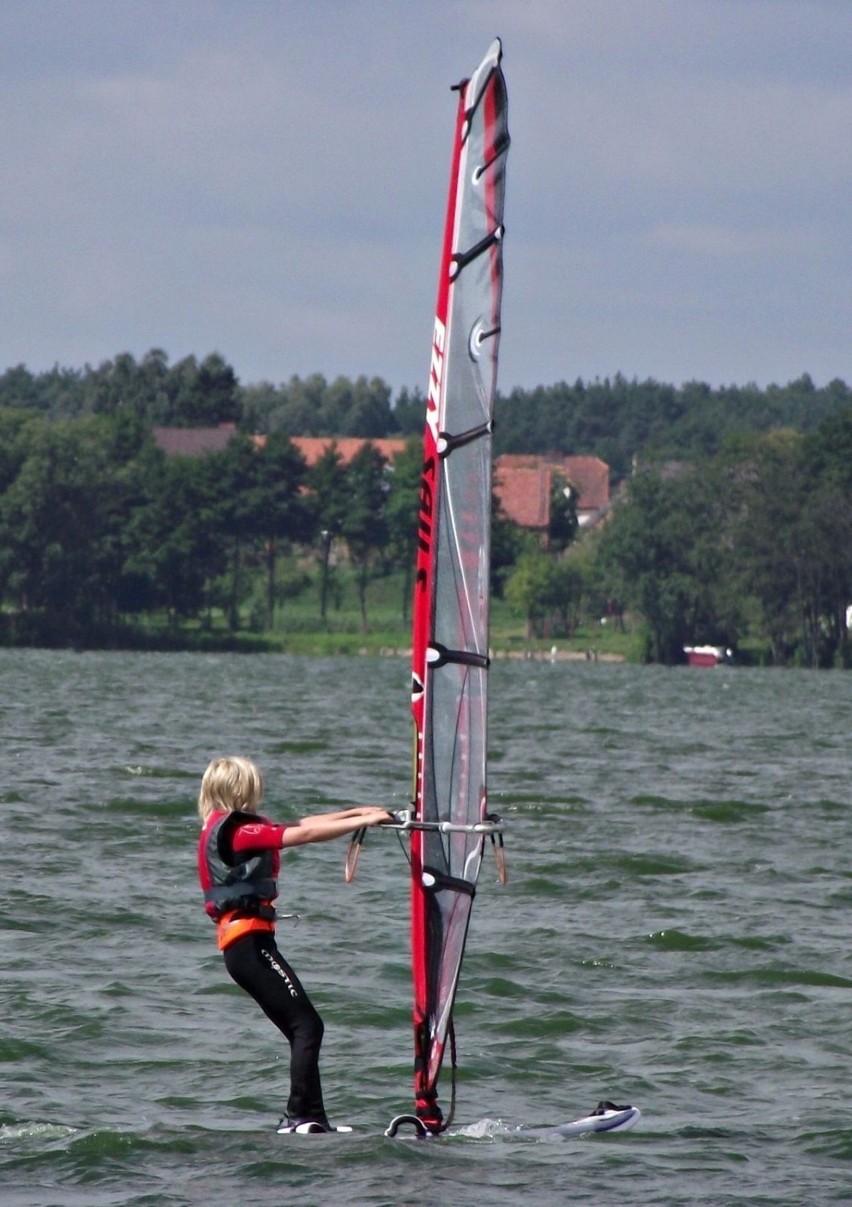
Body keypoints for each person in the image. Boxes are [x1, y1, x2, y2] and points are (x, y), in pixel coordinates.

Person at [196, 755, 390, 1134]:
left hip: (250, 945)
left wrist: (360, 812)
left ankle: (308, 1117)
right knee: (307, 1027)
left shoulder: (237, 827)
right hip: (247, 946)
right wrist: (363, 821)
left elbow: (302, 823)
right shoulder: (236, 831)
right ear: (238, 789)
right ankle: (302, 1118)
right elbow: (299, 835)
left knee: (304, 1028)